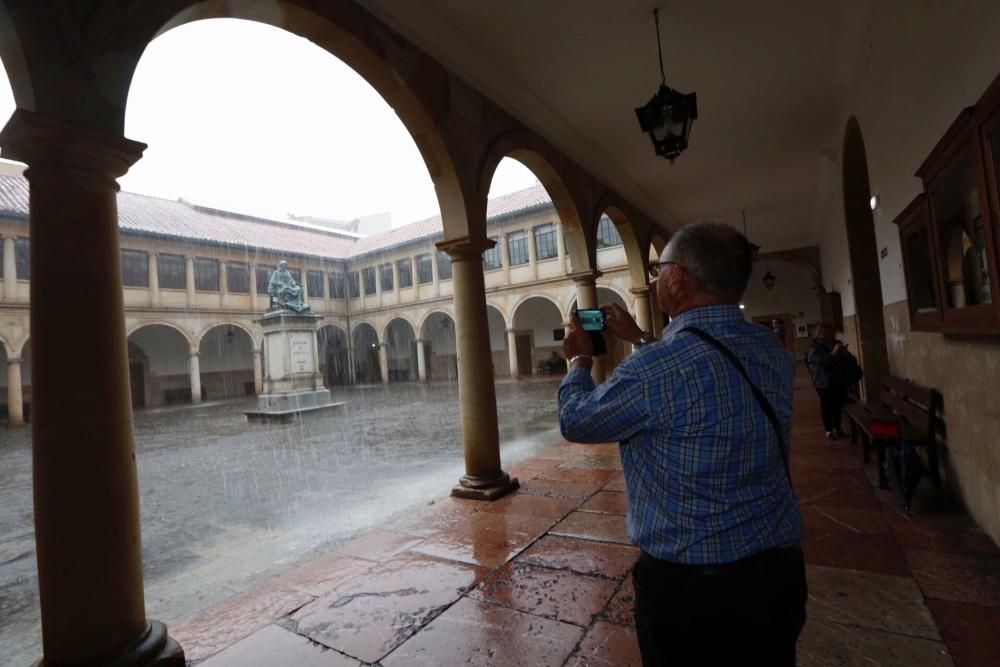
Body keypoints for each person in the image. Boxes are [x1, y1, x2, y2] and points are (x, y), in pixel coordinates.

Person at [558, 222, 805, 666]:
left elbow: (577, 421)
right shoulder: (772, 349)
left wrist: (578, 360)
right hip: (777, 574)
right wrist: (640, 339)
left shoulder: (654, 370)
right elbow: (704, 370)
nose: (653, 280)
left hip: (693, 591)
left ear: (677, 279)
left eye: (658, 270)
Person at [805, 323, 862, 440]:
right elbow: (822, 363)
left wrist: (845, 354)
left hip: (838, 379)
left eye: (832, 332)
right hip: (823, 381)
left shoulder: (836, 343)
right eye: (828, 333)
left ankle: (837, 428)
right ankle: (829, 430)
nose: (832, 335)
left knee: (837, 404)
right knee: (827, 405)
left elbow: (850, 359)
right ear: (820, 334)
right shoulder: (814, 348)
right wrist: (833, 354)